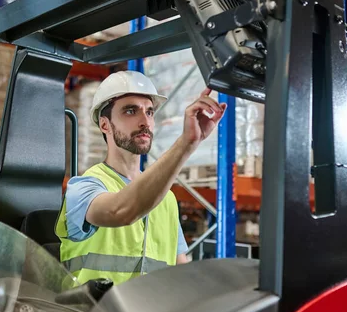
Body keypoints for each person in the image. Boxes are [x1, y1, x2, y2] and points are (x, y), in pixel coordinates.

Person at [55, 70, 226, 285]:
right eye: (130, 111)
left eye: (150, 112)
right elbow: (121, 210)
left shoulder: (167, 200)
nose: (145, 121)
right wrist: (186, 144)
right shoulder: (84, 189)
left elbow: (182, 276)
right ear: (105, 124)